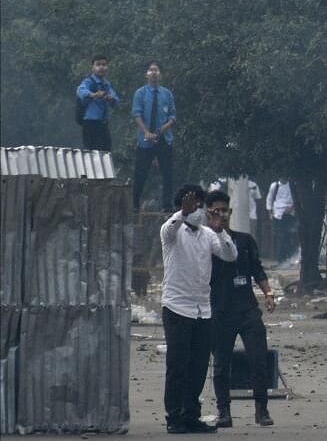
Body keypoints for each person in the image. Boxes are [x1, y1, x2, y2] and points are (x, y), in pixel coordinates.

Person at [160, 184, 237, 434]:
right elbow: (170, 228)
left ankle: (192, 414)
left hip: (202, 309)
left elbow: (229, 255)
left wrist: (222, 230)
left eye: (199, 205)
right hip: (177, 307)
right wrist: (181, 213)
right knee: (177, 365)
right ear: (182, 207)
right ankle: (174, 416)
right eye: (192, 205)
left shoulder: (208, 234)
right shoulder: (172, 231)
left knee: (198, 366)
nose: (197, 209)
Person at [206, 190, 276, 428]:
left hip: (247, 308)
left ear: (230, 212)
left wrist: (268, 294)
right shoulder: (204, 242)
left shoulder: (245, 240)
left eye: (224, 210)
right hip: (220, 310)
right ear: (208, 213)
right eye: (216, 211)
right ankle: (224, 411)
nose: (221, 215)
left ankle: (262, 410)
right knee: (222, 363)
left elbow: (257, 269)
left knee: (258, 359)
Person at [131, 61, 177, 211]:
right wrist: (145, 132)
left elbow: (172, 116)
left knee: (167, 173)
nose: (153, 73)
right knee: (141, 172)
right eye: (150, 70)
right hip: (145, 140)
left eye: (156, 70)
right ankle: (135, 204)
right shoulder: (140, 93)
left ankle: (167, 205)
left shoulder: (167, 94)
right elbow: (137, 114)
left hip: (163, 138)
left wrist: (165, 127)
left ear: (160, 74)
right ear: (146, 74)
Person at [76, 54, 120, 151]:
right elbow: (80, 91)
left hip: (103, 123)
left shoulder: (107, 84)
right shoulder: (88, 81)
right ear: (93, 68)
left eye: (104, 65)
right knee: (92, 153)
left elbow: (116, 100)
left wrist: (110, 98)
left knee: (106, 151)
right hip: (90, 123)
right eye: (98, 64)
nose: (101, 67)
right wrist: (94, 95)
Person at [265, 178, 299, 262]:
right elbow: (269, 199)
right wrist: (270, 213)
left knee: (290, 236)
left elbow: (296, 198)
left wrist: (292, 207)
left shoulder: (292, 185)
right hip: (278, 214)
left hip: (290, 214)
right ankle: (281, 258)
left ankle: (289, 257)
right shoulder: (274, 185)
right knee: (281, 237)